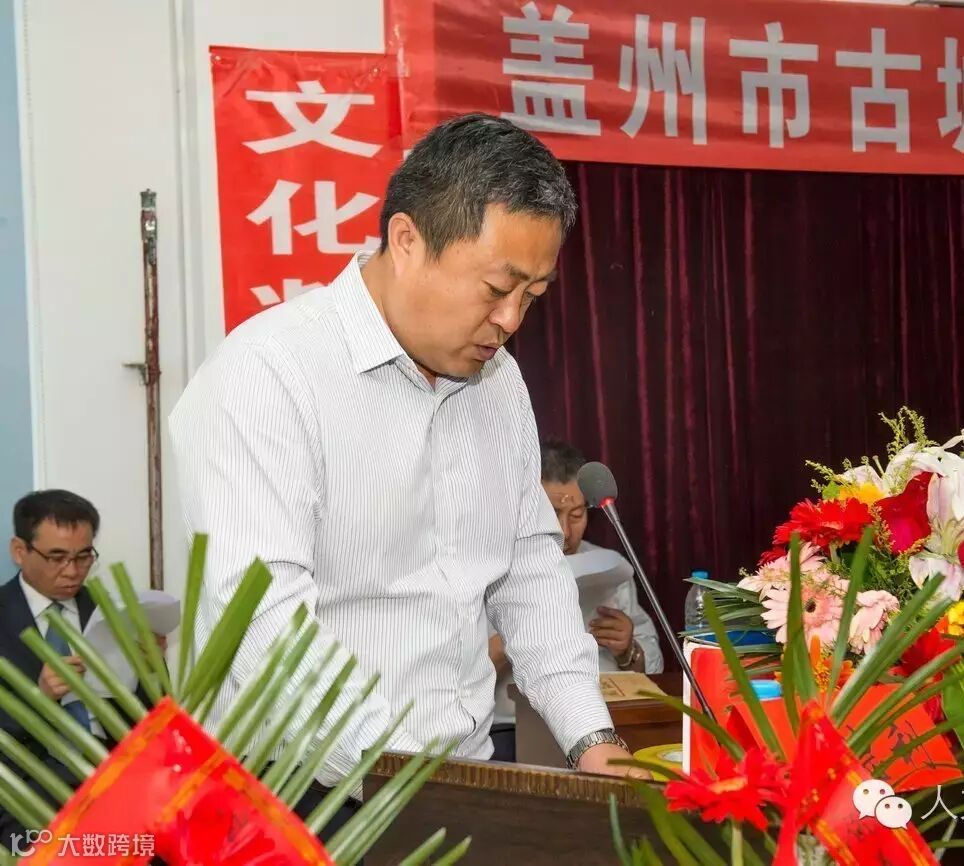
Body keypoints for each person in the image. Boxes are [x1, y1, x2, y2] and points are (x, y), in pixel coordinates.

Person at [168, 114, 642, 820]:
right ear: (407, 241)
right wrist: (403, 781)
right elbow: (263, 623)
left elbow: (530, 573)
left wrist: (590, 737)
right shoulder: (267, 375)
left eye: (534, 296)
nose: (512, 320)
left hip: (458, 780)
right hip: (301, 800)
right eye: (497, 288)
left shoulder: (499, 385)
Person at [488, 438, 663, 761]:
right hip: (513, 729)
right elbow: (455, 679)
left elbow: (651, 668)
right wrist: (512, 640)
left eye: (577, 514)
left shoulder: (608, 566)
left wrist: (627, 649)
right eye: (553, 513)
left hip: (609, 723)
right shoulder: (492, 569)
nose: (565, 531)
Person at [0, 491, 112, 841]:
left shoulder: (109, 611)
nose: (73, 571)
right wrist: (39, 698)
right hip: (25, 787)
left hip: (113, 780)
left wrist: (149, 664)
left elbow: (147, 711)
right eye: (57, 557)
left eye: (84, 556)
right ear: (20, 551)